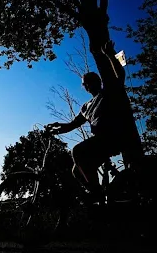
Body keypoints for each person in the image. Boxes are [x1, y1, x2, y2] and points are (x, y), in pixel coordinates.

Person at [45, 39, 143, 204]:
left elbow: (120, 75)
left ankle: (96, 193)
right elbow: (73, 124)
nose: (87, 86)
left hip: (112, 138)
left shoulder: (108, 93)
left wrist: (110, 55)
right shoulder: (86, 106)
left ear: (98, 81)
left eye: (90, 82)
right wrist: (56, 129)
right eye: (84, 84)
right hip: (100, 143)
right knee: (77, 171)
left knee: (77, 151)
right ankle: (103, 198)